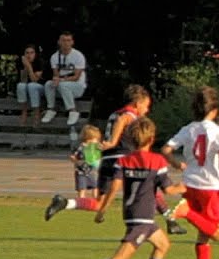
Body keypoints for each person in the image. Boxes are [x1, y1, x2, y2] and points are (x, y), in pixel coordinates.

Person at [74, 116, 186, 259]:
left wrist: (103, 209)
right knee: (122, 256)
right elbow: (168, 190)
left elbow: (115, 187)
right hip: (143, 216)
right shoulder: (157, 161)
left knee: (163, 243)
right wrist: (188, 187)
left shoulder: (124, 161)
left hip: (131, 213)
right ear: (152, 139)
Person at [44, 84, 186, 235]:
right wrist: (113, 141)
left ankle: (65, 203)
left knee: (100, 203)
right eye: (146, 106)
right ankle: (171, 220)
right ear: (137, 103)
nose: (147, 110)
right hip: (123, 157)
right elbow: (122, 121)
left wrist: (111, 144)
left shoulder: (114, 113)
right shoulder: (129, 115)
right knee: (149, 186)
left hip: (108, 160)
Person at [163, 86, 219, 259]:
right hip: (208, 186)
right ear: (215, 110)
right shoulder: (218, 131)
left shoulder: (188, 129)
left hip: (190, 184)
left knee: (205, 232)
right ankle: (186, 212)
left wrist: (176, 164)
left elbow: (166, 149)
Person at [42, 31, 88, 126]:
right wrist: (56, 80)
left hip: (77, 86)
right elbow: (56, 75)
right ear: (59, 42)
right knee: (48, 84)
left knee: (63, 85)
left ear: (72, 42)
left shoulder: (78, 56)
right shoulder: (54, 57)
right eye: (63, 40)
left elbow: (76, 77)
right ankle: (51, 109)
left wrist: (61, 80)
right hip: (62, 86)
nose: (66, 43)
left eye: (68, 40)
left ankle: (73, 111)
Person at [15, 44, 48, 126]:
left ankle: (36, 112)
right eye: (27, 53)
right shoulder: (21, 62)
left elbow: (34, 80)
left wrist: (29, 67)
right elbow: (23, 80)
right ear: (24, 54)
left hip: (41, 87)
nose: (29, 55)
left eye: (31, 52)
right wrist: (25, 66)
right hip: (28, 87)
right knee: (20, 85)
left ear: (35, 54)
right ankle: (24, 111)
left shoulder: (40, 62)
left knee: (32, 85)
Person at [70, 124, 103, 200]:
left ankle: (96, 200)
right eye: (95, 139)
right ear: (88, 138)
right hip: (81, 172)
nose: (96, 141)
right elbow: (73, 156)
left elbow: (100, 155)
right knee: (82, 188)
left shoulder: (96, 147)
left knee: (95, 186)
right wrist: (76, 161)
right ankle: (81, 200)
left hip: (92, 172)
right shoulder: (81, 147)